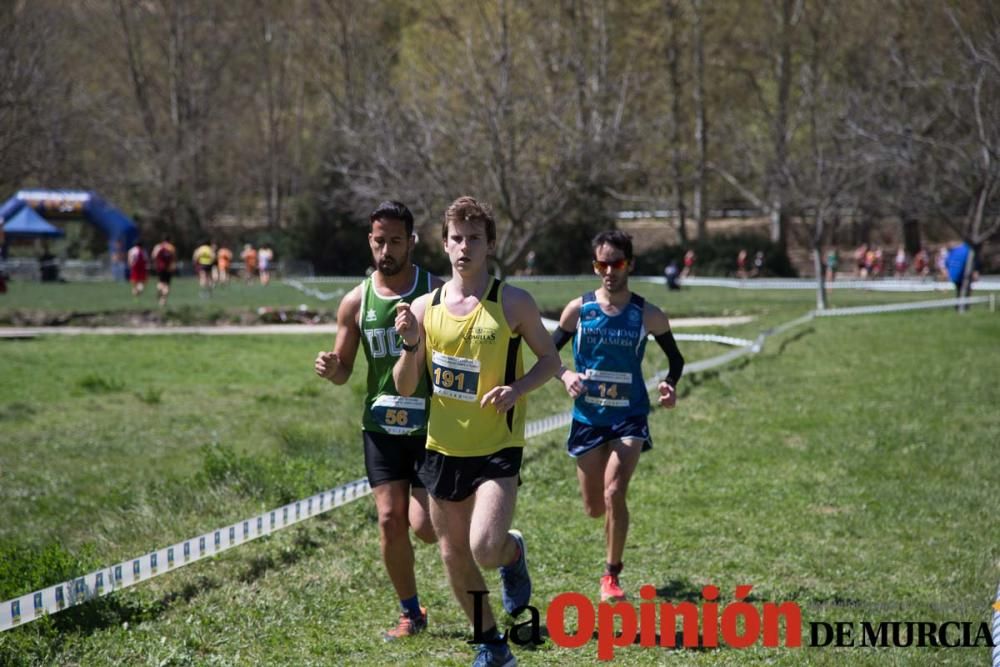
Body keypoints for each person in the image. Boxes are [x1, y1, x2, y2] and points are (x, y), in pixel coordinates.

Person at [393, 196, 559, 667]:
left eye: (475, 239)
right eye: (457, 238)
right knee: (453, 556)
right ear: (445, 245)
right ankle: (491, 644)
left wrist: (516, 389)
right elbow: (406, 386)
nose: (465, 246)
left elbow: (551, 361)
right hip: (442, 449)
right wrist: (409, 343)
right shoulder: (425, 308)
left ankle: (511, 554)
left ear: (489, 246)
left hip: (496, 447)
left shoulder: (512, 302)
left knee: (484, 547)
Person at [315, 201, 442, 641]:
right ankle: (411, 612)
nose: (385, 249)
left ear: (411, 242)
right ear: (369, 241)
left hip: (430, 428)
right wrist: (334, 369)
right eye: (378, 240)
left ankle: (497, 546)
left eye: (394, 241)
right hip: (381, 427)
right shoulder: (355, 302)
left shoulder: (435, 292)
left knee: (425, 529)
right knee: (390, 519)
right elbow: (346, 368)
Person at [551, 230, 684, 604]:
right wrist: (566, 374)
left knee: (614, 492)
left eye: (617, 263)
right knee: (595, 506)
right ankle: (608, 549)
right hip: (588, 418)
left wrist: (670, 384)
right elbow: (546, 350)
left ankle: (611, 575)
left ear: (630, 264)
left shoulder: (648, 314)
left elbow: (676, 359)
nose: (609, 271)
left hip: (630, 415)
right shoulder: (579, 310)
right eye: (602, 264)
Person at [151, 236, 177, 307]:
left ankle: (159, 291)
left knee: (161, 282)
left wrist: (156, 264)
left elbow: (153, 256)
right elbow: (174, 258)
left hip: (160, 268)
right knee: (167, 285)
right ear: (170, 240)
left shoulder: (158, 247)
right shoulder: (171, 247)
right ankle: (163, 301)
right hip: (168, 269)